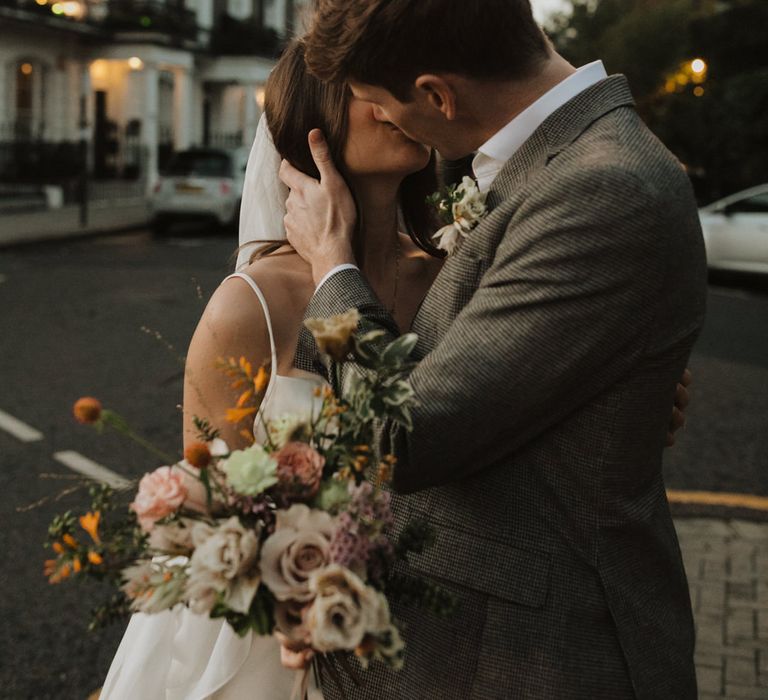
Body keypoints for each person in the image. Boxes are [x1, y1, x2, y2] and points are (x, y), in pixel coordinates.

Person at [279, 1, 707, 698]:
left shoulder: (602, 188)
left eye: (380, 104)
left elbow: (405, 435)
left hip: (536, 659)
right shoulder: (554, 164)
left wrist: (331, 266)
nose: (386, 121)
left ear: (437, 95)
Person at [99, 39, 442, 699]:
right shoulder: (252, 305)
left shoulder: (451, 279)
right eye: (377, 88)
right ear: (314, 122)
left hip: (431, 632)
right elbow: (203, 518)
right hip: (271, 652)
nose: (409, 99)